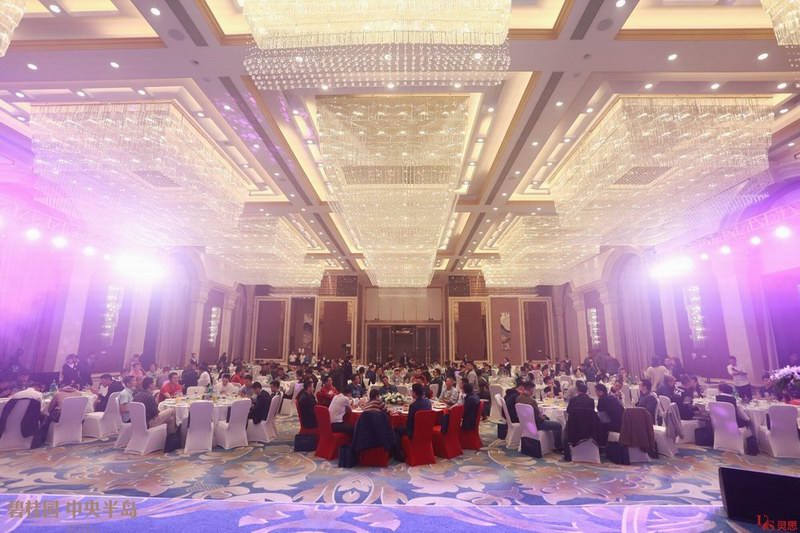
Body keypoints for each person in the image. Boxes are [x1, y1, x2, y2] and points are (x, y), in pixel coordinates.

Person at [516, 381, 563, 451]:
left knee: (547, 418)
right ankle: (558, 447)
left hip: (525, 424)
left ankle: (549, 444)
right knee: (558, 425)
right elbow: (538, 419)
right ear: (531, 389)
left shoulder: (518, 399)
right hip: (536, 424)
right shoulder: (532, 401)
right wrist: (543, 418)